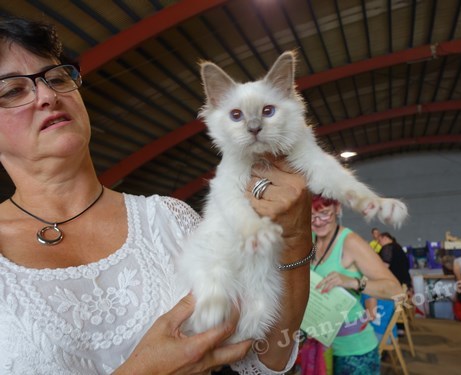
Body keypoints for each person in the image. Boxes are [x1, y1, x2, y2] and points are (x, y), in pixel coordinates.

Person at [0, 17, 314, 374]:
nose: (47, 95)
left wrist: (295, 238)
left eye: (56, 78)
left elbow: (264, 359)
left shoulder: (169, 220)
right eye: (12, 90)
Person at [303, 195, 402, 374]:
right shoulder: (309, 239)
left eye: (324, 214)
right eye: (311, 216)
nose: (317, 222)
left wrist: (352, 282)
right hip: (319, 347)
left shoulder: (350, 242)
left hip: (354, 351)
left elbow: (394, 289)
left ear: (337, 208)